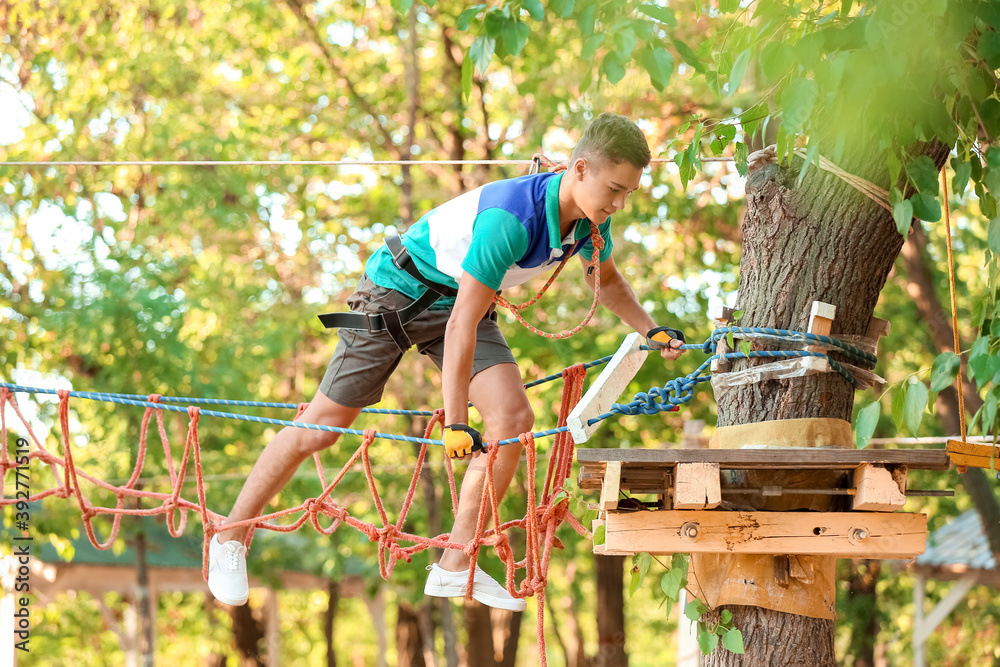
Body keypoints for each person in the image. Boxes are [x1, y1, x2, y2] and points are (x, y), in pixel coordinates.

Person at [207, 112, 686, 610]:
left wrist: (648, 329)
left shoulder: (590, 225)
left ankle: (458, 564)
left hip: (460, 304)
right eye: (614, 188)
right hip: (397, 293)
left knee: (514, 420)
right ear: (581, 168)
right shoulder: (512, 219)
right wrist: (456, 422)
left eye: (628, 193)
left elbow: (605, 283)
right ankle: (229, 536)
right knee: (322, 428)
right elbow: (461, 323)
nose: (619, 203)